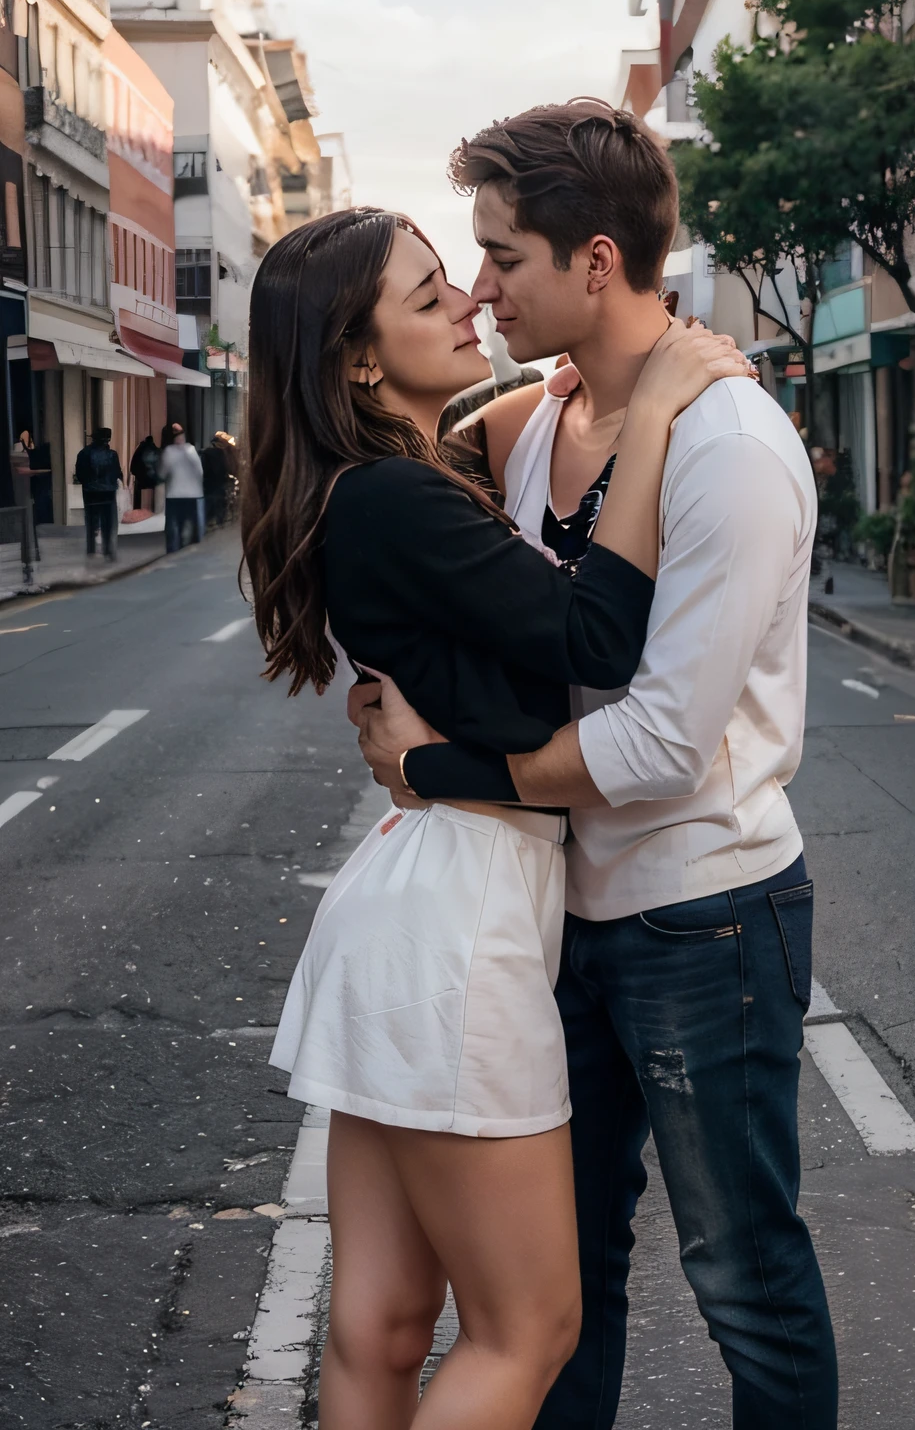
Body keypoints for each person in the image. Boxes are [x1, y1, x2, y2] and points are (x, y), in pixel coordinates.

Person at [352, 100, 839, 1430]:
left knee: (745, 1278)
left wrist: (441, 771)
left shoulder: (731, 449)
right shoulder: (538, 425)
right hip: (565, 911)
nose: (480, 289)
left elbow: (662, 741)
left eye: (501, 258)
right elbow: (392, 474)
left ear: (597, 263)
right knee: (559, 1287)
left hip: (706, 913)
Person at [242, 204, 749, 1430]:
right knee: (530, 1331)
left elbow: (483, 445)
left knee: (380, 1325)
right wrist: (659, 412)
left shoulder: (387, 483)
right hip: (460, 926)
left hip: (411, 906)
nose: (467, 300)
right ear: (359, 361)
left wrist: (579, 387)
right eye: (429, 299)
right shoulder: (400, 502)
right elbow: (595, 634)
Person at [74, 427, 123, 562]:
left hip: (90, 492)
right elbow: (117, 472)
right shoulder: (112, 454)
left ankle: (91, 549)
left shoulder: (84, 453)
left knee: (91, 521)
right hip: (108, 492)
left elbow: (80, 474)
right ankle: (108, 550)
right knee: (108, 522)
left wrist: (88, 483)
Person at [160, 426, 204, 553]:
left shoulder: (169, 451)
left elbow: (163, 473)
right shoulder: (191, 450)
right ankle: (187, 545)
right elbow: (200, 471)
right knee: (188, 521)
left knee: (174, 524)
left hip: (174, 495)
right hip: (191, 494)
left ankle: (174, 548)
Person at [200, 436, 229, 527]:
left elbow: (203, 468)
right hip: (220, 483)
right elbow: (228, 467)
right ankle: (220, 523)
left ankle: (204, 525)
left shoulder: (206, 454)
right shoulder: (224, 455)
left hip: (208, 483)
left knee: (207, 504)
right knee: (220, 504)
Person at [129, 434, 161, 511]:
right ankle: (153, 509)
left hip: (140, 478)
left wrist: (134, 472)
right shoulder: (156, 451)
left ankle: (137, 507)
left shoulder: (139, 449)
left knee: (138, 490)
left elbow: (133, 465)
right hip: (152, 479)